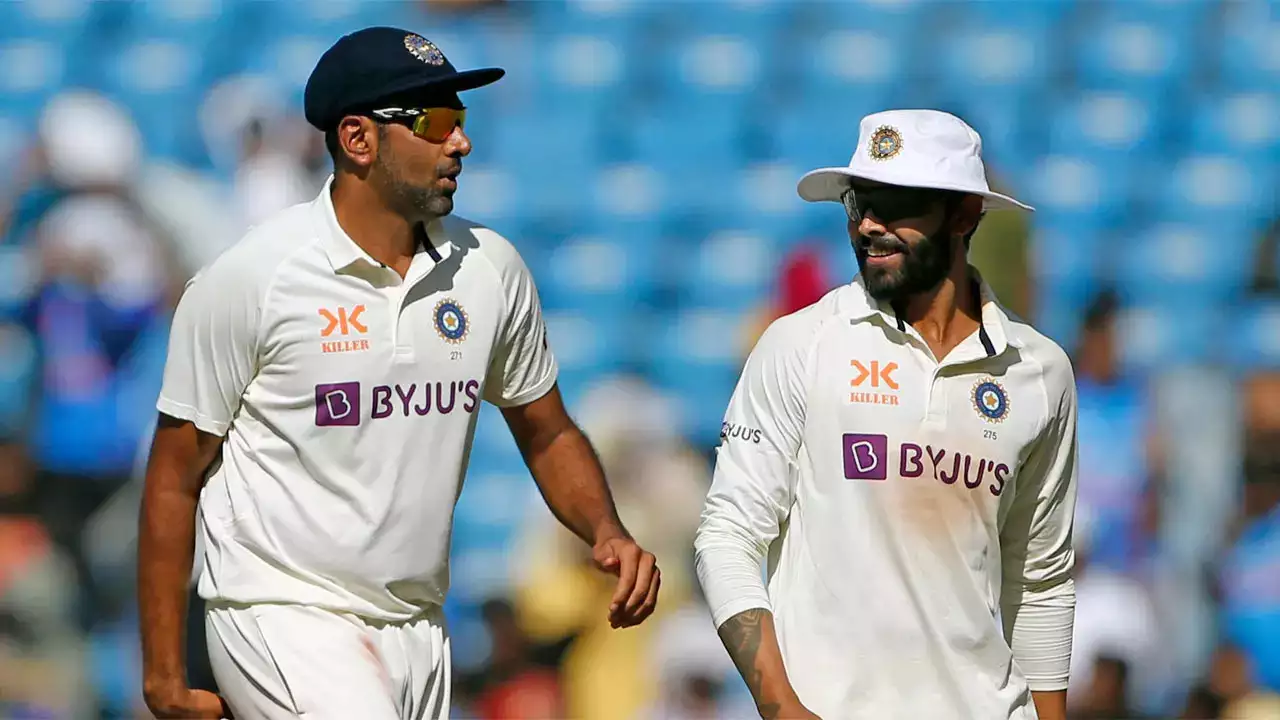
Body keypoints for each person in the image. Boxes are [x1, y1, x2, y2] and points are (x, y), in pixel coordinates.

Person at [137, 27, 660, 720]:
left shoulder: (489, 269)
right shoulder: (251, 279)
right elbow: (174, 476)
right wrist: (163, 676)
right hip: (284, 612)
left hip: (419, 625)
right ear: (358, 139)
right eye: (436, 123)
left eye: (461, 122)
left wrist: (606, 531)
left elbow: (546, 428)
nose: (461, 144)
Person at [694, 110, 1078, 720]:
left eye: (896, 204)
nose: (869, 225)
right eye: (857, 203)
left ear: (964, 214)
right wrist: (782, 706)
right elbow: (728, 536)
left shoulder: (1040, 372)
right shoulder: (802, 342)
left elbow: (1040, 577)